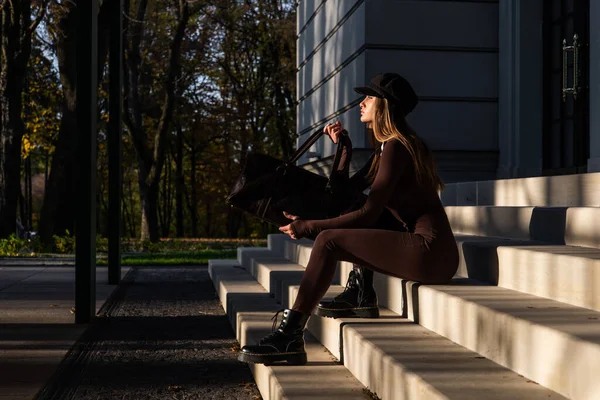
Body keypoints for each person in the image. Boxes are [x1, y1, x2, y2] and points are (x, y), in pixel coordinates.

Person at [238, 72, 459, 366]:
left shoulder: (396, 147)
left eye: (369, 97)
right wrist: (343, 147)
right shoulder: (387, 147)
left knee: (329, 240)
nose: (362, 102)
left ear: (384, 105)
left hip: (431, 253)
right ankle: (359, 293)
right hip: (427, 251)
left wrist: (310, 228)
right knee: (345, 212)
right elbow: (346, 194)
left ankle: (290, 335)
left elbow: (368, 213)